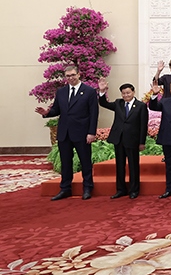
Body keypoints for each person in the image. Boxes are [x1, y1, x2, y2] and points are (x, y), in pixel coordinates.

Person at [36, 65, 98, 201]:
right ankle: (65, 188)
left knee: (85, 161)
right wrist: (47, 113)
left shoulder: (89, 91)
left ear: (79, 74)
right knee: (65, 162)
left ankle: (87, 188)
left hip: (82, 132)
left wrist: (91, 132)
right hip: (64, 132)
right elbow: (56, 109)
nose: (70, 78)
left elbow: (94, 114)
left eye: (73, 75)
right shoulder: (61, 92)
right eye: (68, 76)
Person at [98, 79, 148, 199]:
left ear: (133, 92)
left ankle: (134, 190)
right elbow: (104, 103)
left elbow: (143, 125)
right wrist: (102, 91)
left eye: (128, 93)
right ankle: (121, 189)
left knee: (133, 166)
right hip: (119, 139)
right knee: (119, 166)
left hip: (133, 140)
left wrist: (142, 142)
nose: (126, 95)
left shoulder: (141, 106)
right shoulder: (118, 103)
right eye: (123, 93)